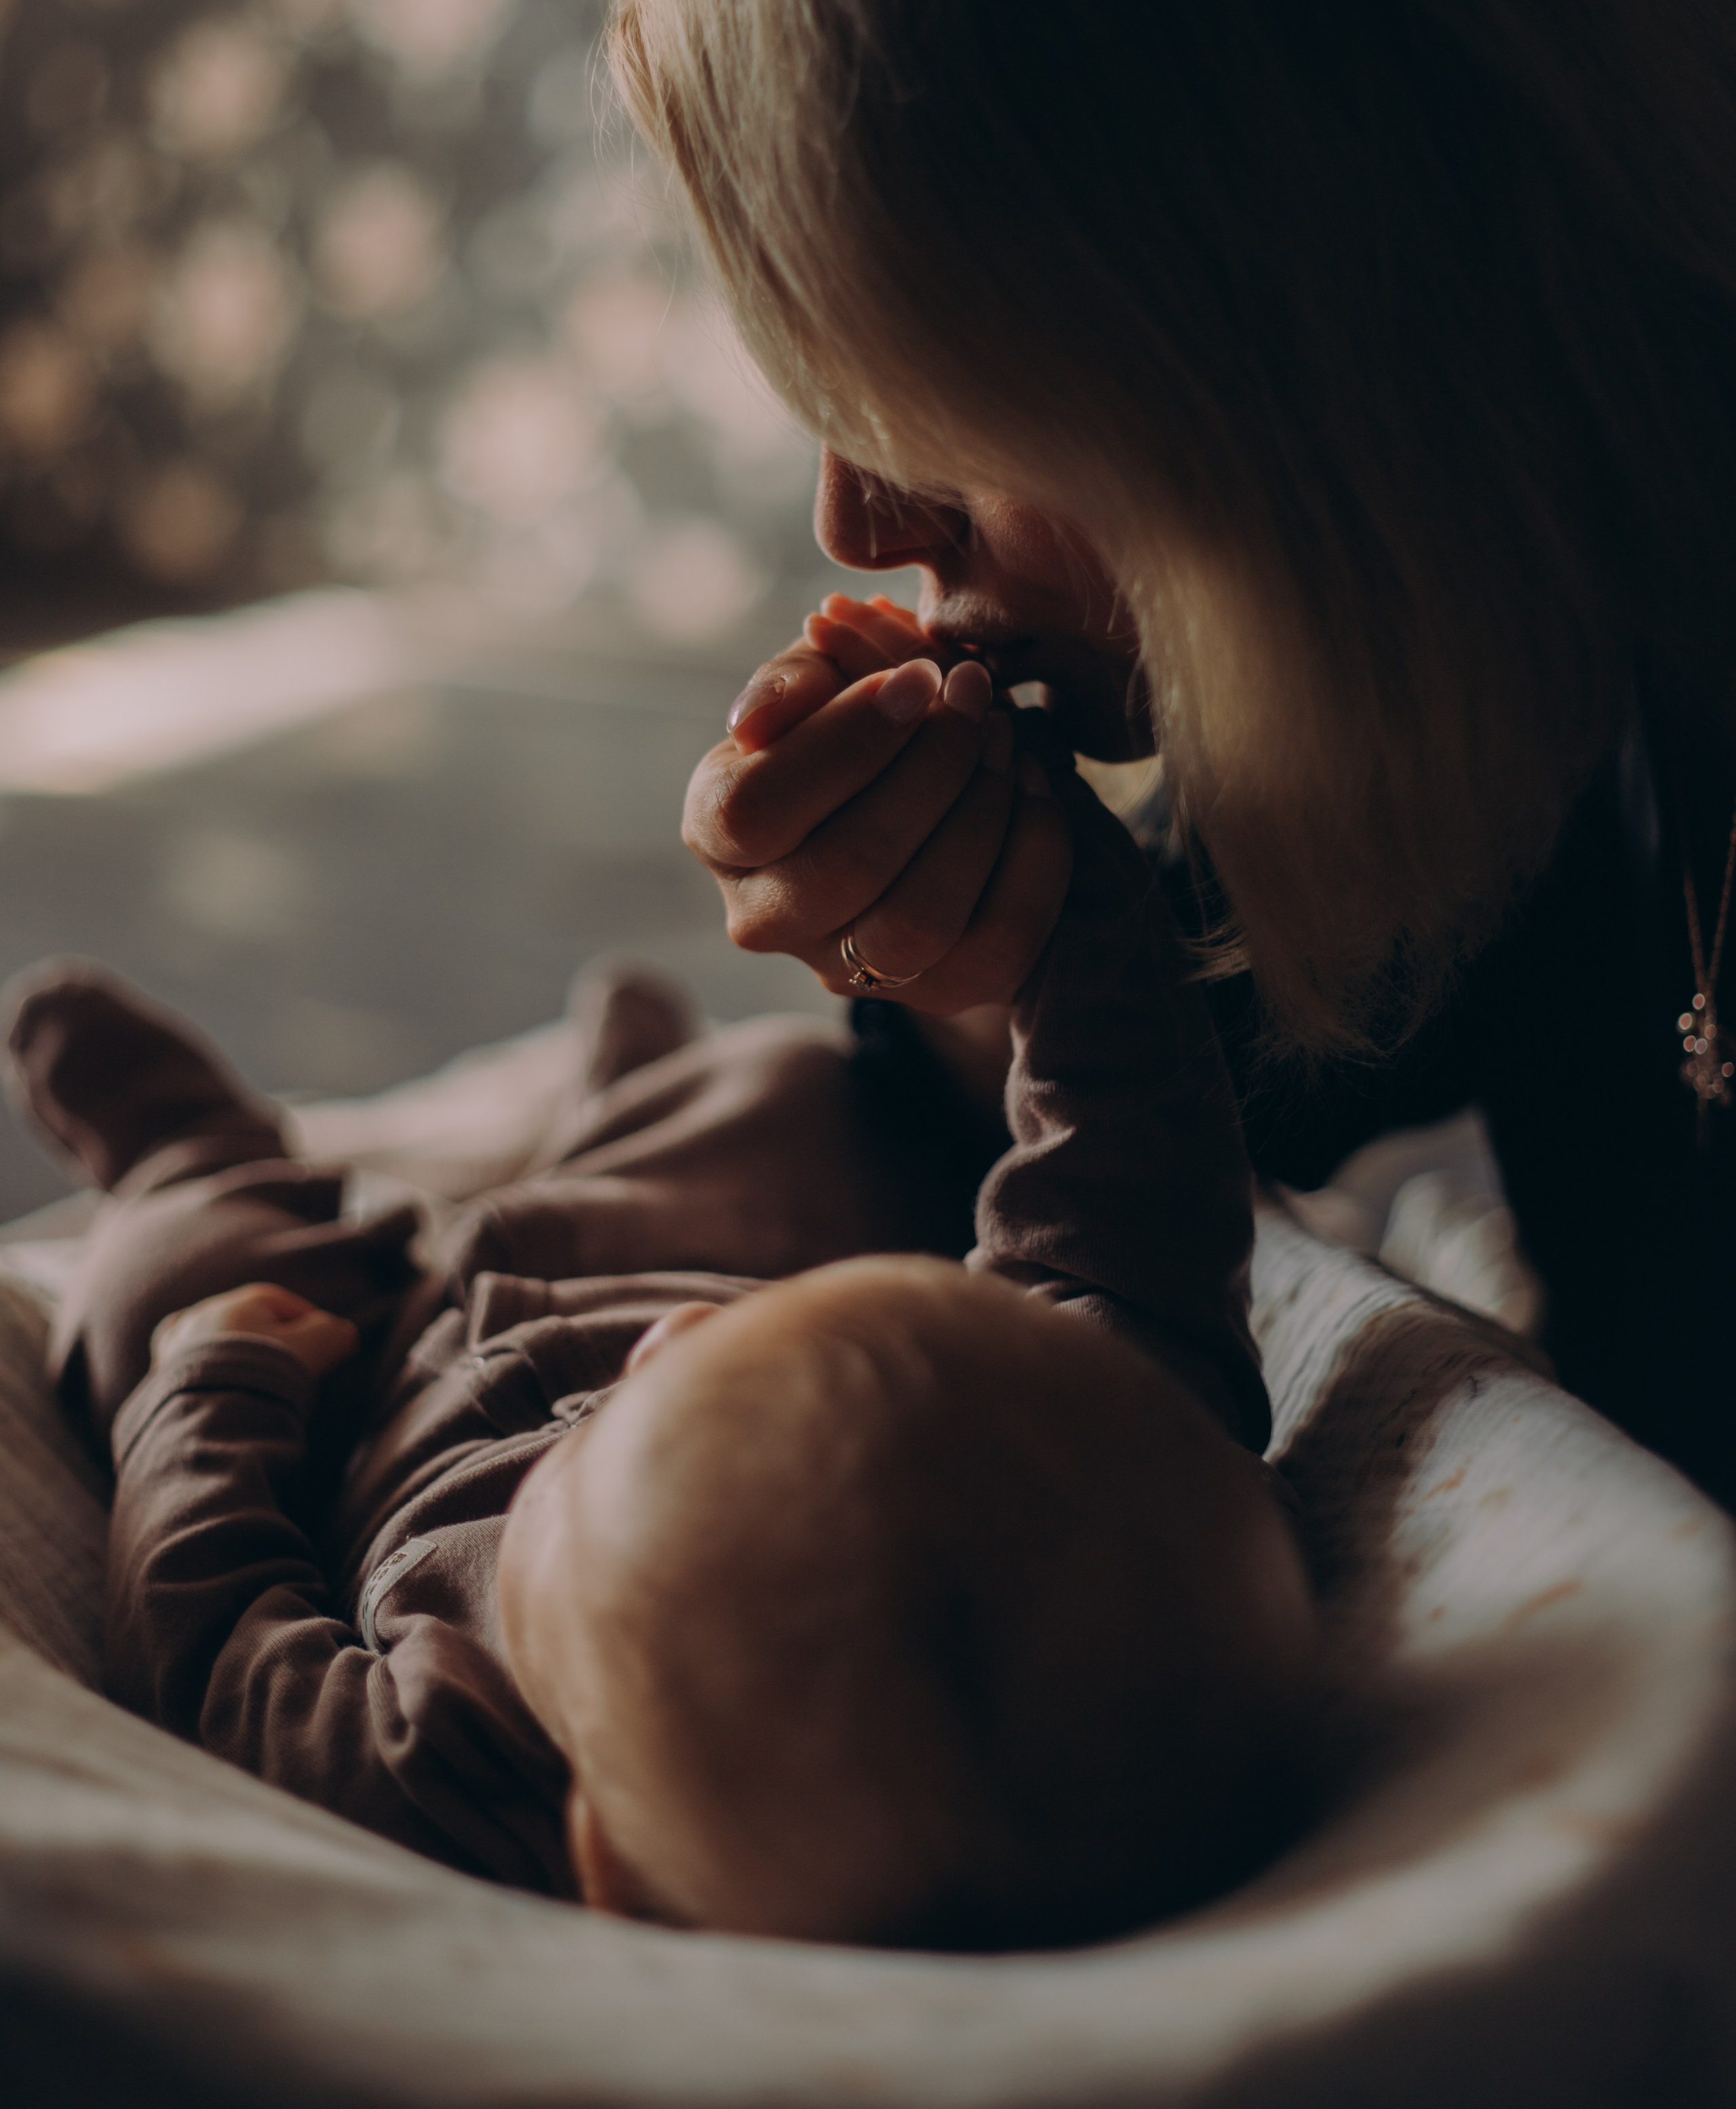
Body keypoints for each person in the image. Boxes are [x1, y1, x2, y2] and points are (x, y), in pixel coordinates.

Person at [614, 0, 1736, 1509]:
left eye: (931, 399)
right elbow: (1243, 1048)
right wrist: (989, 962)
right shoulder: (1515, 626)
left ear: (1300, 296)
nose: (862, 526)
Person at [3, 722, 1312, 1948]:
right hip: (686, 1237)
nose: (672, 1342)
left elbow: (207, 1637)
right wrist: (1078, 897)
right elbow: (1130, 1185)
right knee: (797, 1101)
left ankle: (201, 1155)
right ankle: (638, 1088)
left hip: (355, 1378)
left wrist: (215, 1390)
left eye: (620, 1437)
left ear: (602, 1858)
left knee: (148, 1312)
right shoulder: (1120, 1456)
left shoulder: (447, 1774)